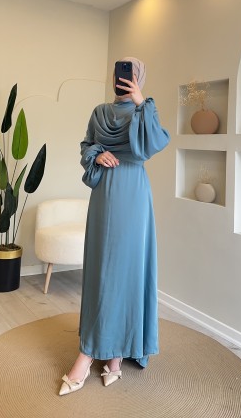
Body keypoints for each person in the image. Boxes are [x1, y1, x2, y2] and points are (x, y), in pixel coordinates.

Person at [59, 56, 170, 396]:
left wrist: (141, 101)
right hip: (104, 193)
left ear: (139, 78)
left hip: (133, 194)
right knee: (101, 270)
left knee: (126, 271)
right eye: (119, 73)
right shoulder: (100, 112)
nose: (122, 79)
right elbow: (86, 145)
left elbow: (154, 144)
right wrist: (96, 154)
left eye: (130, 74)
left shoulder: (145, 111)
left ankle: (115, 353)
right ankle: (93, 349)